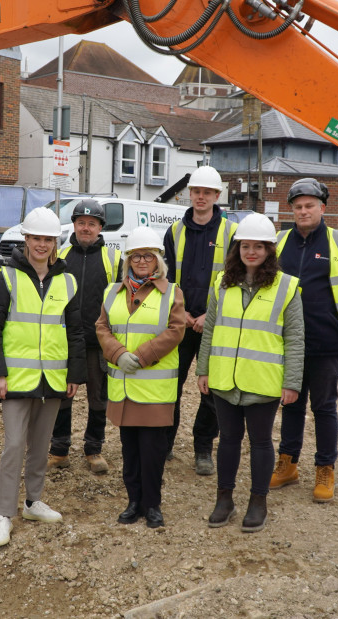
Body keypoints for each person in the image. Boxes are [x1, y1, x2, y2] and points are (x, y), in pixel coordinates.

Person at [0, 207, 86, 548]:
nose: (42, 244)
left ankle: (33, 502)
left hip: (53, 380)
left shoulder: (67, 281)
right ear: (26, 239)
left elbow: (76, 332)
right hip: (15, 380)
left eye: (48, 239)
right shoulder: (6, 278)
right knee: (13, 446)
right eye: (36, 238)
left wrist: (74, 374)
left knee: (41, 446)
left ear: (56, 242)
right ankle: (3, 513)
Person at [196, 213, 304, 532]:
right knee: (228, 440)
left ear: (270, 250)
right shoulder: (222, 282)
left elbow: (295, 336)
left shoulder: (286, 287)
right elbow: (211, 328)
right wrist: (203, 369)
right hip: (224, 378)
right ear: (237, 249)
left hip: (263, 381)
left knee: (260, 442)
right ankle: (224, 499)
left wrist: (292, 382)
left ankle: (258, 502)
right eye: (246, 246)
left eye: (259, 246)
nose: (251, 252)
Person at [269, 178, 338, 503]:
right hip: (288, 343)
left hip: (326, 344)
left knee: (324, 407)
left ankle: (325, 469)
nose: (303, 211)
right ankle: (288, 463)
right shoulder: (281, 242)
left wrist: (335, 323)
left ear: (322, 208)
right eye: (297, 207)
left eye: (309, 205)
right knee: (291, 403)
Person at [96, 226, 186, 528]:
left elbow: (176, 330)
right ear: (128, 260)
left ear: (158, 259)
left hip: (154, 391)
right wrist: (117, 353)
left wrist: (144, 355)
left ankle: (153, 504)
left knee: (153, 452)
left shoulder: (172, 293)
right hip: (123, 387)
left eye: (148, 255)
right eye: (136, 256)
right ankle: (133, 502)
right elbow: (102, 328)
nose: (142, 260)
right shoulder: (113, 292)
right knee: (129, 450)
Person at [163, 165, 236, 476]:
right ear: (189, 194)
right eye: (196, 191)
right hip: (180, 322)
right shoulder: (174, 232)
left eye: (207, 192)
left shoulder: (231, 233)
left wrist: (209, 315)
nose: (201, 197)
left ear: (217, 195)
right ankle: (164, 442)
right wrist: (183, 314)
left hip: (214, 324)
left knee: (211, 388)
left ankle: (203, 447)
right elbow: (164, 279)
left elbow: (234, 279)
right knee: (169, 385)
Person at [48, 199, 122, 475]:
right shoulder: (61, 256)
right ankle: (59, 450)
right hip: (64, 342)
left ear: (100, 227)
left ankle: (94, 449)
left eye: (92, 223)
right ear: (74, 225)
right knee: (61, 396)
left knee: (98, 399)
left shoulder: (113, 259)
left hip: (97, 343)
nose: (86, 228)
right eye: (81, 223)